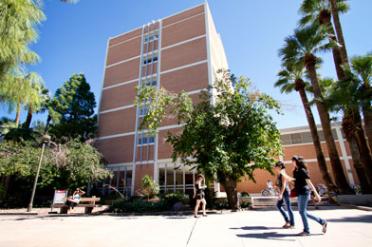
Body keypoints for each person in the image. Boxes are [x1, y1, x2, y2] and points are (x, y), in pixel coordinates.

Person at [292, 156, 328, 236]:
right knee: (304, 212)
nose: (292, 162)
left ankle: (306, 231)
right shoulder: (295, 171)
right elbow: (295, 182)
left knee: (302, 212)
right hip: (299, 193)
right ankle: (322, 222)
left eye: (293, 161)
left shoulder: (302, 170)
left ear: (297, 161)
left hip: (304, 192)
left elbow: (309, 183)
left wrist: (316, 194)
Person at [274, 161, 295, 228]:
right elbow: (277, 183)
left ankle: (292, 224)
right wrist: (276, 186)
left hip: (285, 192)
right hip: (282, 192)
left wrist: (281, 194)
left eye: (276, 167)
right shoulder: (279, 174)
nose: (275, 168)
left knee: (288, 208)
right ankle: (287, 220)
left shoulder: (283, 173)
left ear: (280, 167)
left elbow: (284, 185)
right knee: (278, 205)